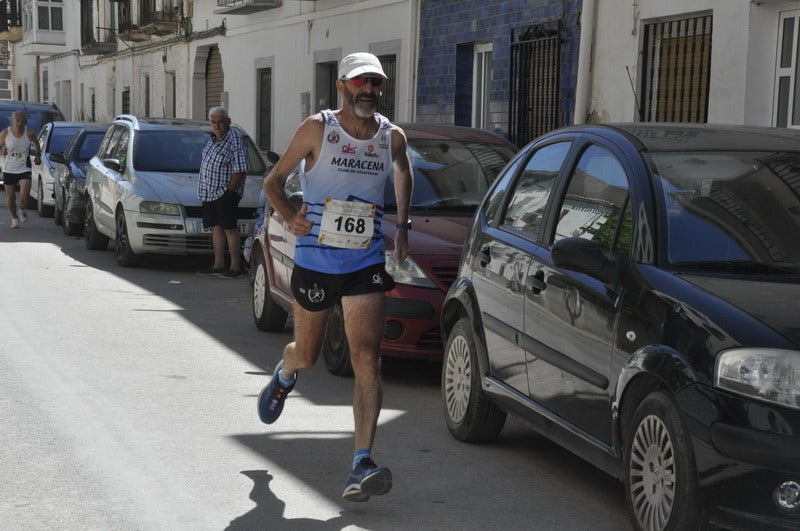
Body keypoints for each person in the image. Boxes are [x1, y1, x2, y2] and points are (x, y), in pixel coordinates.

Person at [259, 52, 412, 502]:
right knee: (306, 354)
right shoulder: (316, 129)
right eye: (362, 82)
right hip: (317, 261)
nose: (370, 90)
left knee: (366, 357)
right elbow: (272, 181)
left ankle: (361, 462)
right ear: (343, 86)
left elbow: (404, 172)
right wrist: (288, 215)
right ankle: (285, 374)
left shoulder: (391, 137)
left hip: (364, 262)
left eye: (377, 84)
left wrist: (402, 226)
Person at [197, 106, 249, 278]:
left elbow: (240, 169)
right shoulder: (212, 139)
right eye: (213, 122)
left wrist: (229, 193)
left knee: (230, 228)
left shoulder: (235, 139)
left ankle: (235, 267)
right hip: (210, 192)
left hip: (225, 192)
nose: (216, 125)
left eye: (220, 122)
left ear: (228, 122)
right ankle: (218, 265)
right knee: (216, 227)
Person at [1, 110, 41, 228]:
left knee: (24, 194)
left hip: (24, 167)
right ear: (12, 121)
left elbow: (37, 143)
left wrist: (38, 156)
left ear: (25, 122)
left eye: (22, 121)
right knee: (11, 197)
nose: (19, 123)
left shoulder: (29, 133)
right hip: (9, 168)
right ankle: (14, 219)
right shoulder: (5, 133)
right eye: (17, 121)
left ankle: (21, 210)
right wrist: (2, 151)